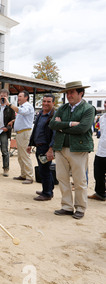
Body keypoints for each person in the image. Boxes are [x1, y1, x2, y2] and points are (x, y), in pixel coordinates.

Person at [49, 81, 96, 219]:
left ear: (80, 93)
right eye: (67, 93)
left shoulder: (88, 109)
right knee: (62, 178)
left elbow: (83, 128)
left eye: (72, 92)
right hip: (61, 147)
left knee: (79, 180)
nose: (69, 95)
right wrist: (69, 124)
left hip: (78, 149)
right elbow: (52, 124)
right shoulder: (63, 108)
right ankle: (67, 206)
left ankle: (80, 208)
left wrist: (61, 126)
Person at [27, 94, 56, 201]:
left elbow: (55, 134)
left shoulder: (54, 116)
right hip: (39, 147)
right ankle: (48, 189)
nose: (45, 103)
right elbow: (35, 130)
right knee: (45, 170)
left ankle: (47, 193)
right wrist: (30, 144)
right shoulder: (40, 114)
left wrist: (50, 149)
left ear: (53, 103)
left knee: (44, 171)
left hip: (46, 148)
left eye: (48, 101)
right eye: (44, 101)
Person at [7, 91, 35, 184]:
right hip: (20, 133)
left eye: (20, 96)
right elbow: (23, 116)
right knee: (20, 156)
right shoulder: (23, 106)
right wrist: (14, 120)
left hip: (24, 133)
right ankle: (23, 175)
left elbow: (22, 112)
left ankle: (29, 176)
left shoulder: (27, 106)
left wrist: (9, 104)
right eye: (18, 96)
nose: (18, 98)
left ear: (26, 97)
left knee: (25, 155)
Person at [0, 88, 16, 177]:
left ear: (7, 97)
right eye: (1, 96)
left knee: (4, 151)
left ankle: (6, 168)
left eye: (4, 96)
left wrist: (7, 128)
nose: (2, 97)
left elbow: (13, 120)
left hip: (3, 131)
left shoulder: (10, 107)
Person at [89, 102, 106, 201]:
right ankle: (100, 193)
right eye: (105, 103)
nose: (105, 105)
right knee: (98, 173)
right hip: (101, 151)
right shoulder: (102, 118)